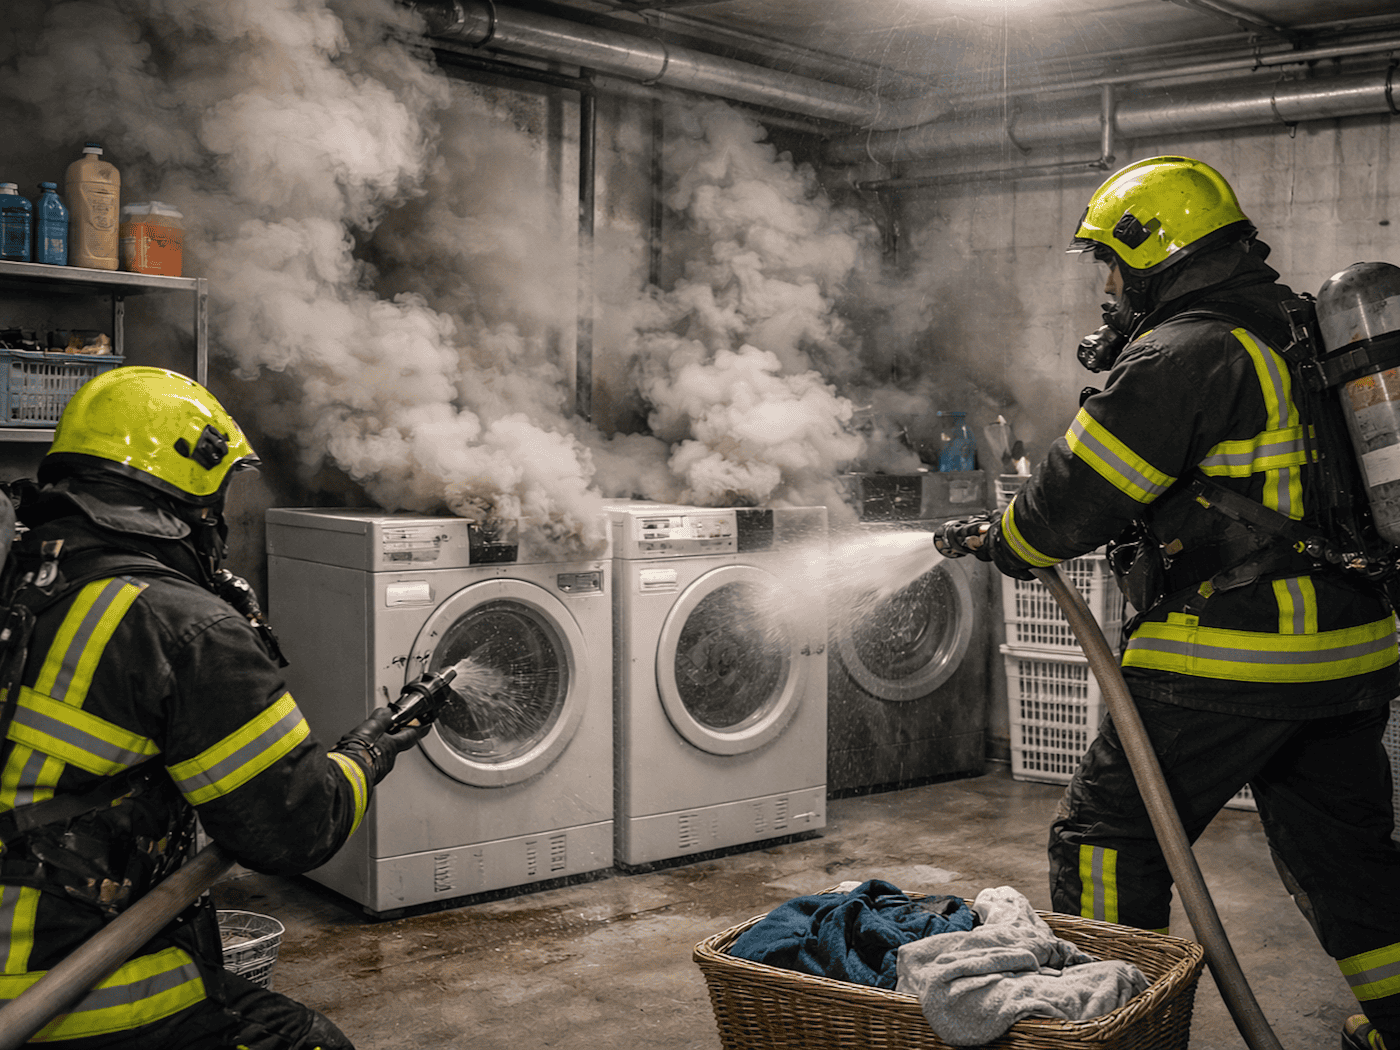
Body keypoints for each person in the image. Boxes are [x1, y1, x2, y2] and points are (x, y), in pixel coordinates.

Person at [941, 156, 1400, 1050]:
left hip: (1224, 656)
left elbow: (1066, 506)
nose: (1108, 287)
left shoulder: (1182, 352)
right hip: (1350, 656)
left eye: (1111, 262)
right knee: (1351, 864)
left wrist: (1004, 538)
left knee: (1110, 837)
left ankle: (1113, 1029)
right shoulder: (1306, 332)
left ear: (1156, 252)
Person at [0, 366, 426, 1049]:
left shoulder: (27, 575)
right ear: (190, 498)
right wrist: (366, 755)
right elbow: (291, 828)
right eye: (221, 495)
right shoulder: (183, 625)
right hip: (50, 977)